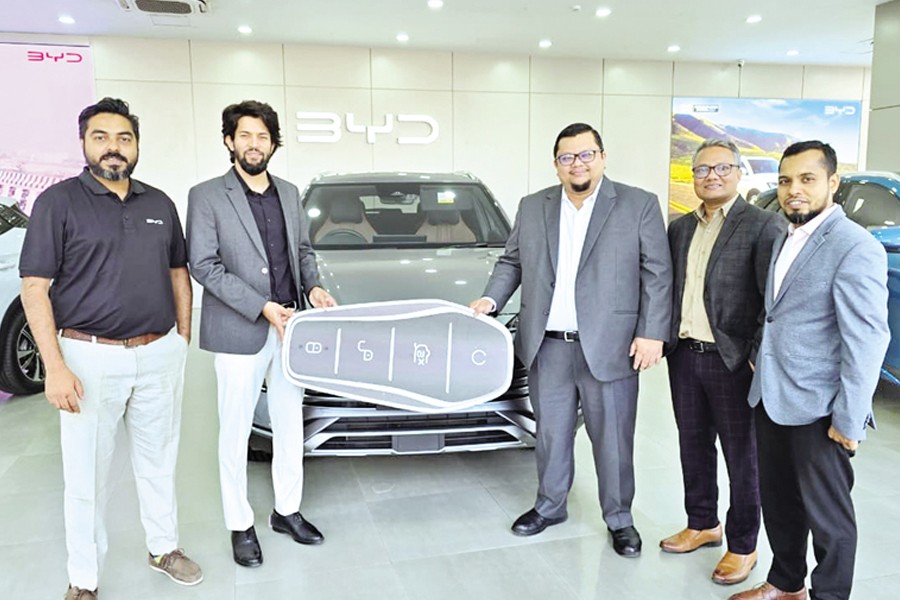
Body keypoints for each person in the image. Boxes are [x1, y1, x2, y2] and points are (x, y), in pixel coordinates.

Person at [19, 97, 201, 600]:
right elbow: (34, 288)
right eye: (101, 137)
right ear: (84, 142)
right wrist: (55, 368)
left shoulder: (159, 204)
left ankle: (163, 548)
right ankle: (84, 579)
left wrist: (182, 339)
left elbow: (179, 273)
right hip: (87, 358)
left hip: (158, 353)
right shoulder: (57, 203)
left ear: (136, 145)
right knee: (86, 475)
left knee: (159, 460)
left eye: (124, 138)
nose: (113, 147)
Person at [470, 122, 672, 557]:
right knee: (551, 434)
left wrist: (653, 332)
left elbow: (657, 272)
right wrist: (490, 298)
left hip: (613, 345)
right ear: (556, 164)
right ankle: (550, 505)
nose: (577, 164)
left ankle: (619, 518)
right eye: (567, 157)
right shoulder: (533, 206)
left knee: (612, 439)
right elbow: (511, 262)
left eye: (585, 155)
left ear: (602, 157)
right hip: (548, 345)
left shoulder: (637, 204)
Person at [729, 140, 890, 600]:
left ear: (832, 183)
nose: (793, 190)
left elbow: (867, 339)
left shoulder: (854, 246)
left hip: (821, 407)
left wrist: (849, 418)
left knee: (829, 519)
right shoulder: (785, 234)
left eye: (807, 179)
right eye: (785, 180)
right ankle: (786, 584)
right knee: (779, 500)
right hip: (772, 394)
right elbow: (776, 312)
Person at [186, 100, 336, 568]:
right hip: (240, 328)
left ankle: (287, 511)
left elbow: (303, 251)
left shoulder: (289, 193)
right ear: (229, 141)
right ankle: (240, 524)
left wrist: (313, 287)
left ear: (273, 143)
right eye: (245, 136)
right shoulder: (207, 195)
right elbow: (204, 265)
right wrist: (261, 306)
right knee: (235, 432)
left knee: (290, 425)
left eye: (263, 137)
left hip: (291, 327)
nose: (255, 144)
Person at [662, 138, 785, 585]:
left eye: (721, 168)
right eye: (702, 169)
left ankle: (743, 545)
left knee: (742, 457)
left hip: (733, 362)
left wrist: (755, 357)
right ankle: (702, 523)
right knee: (692, 445)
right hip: (685, 356)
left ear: (737, 172)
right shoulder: (679, 228)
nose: (711, 176)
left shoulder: (763, 225)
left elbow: (773, 301)